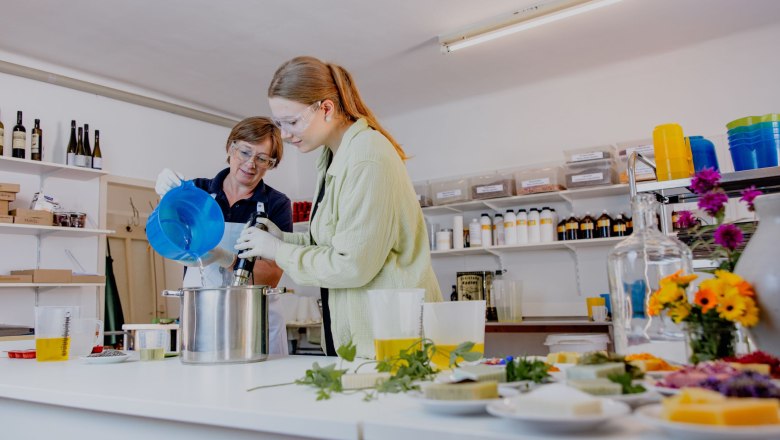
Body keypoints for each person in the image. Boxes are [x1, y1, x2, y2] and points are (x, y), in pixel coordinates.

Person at [235, 56, 442, 359]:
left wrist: (278, 252)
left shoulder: (366, 156)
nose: (286, 135)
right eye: (280, 124)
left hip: (394, 338)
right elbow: (333, 241)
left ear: (327, 109)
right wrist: (279, 239)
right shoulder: (333, 156)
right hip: (360, 338)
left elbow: (352, 265)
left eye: (292, 122)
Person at [155, 116, 292, 355]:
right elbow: (167, 238)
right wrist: (166, 201)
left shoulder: (276, 204)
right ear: (230, 148)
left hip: (255, 323)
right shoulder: (198, 191)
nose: (251, 164)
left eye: (262, 158)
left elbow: (271, 276)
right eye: (245, 152)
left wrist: (225, 258)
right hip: (201, 318)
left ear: (271, 164)